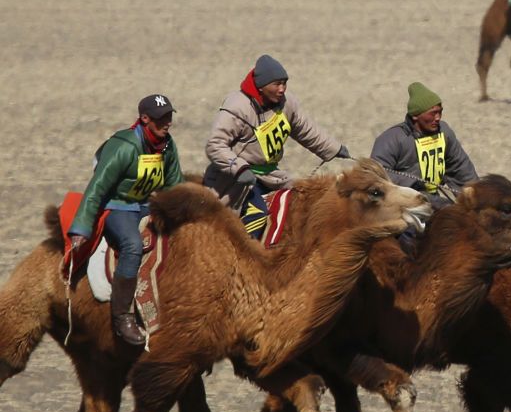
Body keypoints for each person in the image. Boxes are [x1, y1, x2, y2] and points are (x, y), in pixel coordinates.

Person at [68, 95, 183, 346]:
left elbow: (174, 185)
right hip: (118, 207)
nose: (168, 123)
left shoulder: (167, 145)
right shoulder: (124, 146)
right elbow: (97, 188)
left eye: (169, 117)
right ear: (144, 119)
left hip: (144, 205)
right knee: (132, 245)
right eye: (162, 118)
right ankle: (122, 316)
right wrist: (81, 227)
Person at [203, 54, 349, 239]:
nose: (282, 89)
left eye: (284, 83)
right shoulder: (237, 107)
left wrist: (335, 148)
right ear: (262, 86)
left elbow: (306, 129)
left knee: (297, 207)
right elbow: (215, 144)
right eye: (276, 84)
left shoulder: (286, 103)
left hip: (270, 175)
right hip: (236, 181)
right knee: (257, 214)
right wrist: (239, 169)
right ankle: (246, 258)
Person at [371, 82, 478, 200]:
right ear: (415, 115)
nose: (437, 118)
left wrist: (476, 195)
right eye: (432, 113)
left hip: (432, 198)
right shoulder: (391, 139)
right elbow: (376, 176)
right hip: (401, 203)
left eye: (440, 112)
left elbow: (460, 166)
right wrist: (413, 182)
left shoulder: (444, 132)